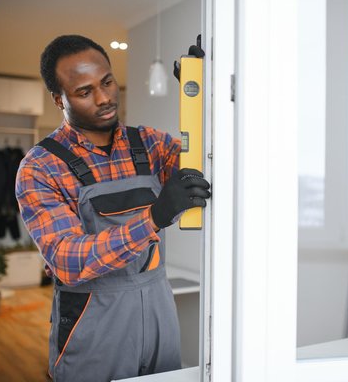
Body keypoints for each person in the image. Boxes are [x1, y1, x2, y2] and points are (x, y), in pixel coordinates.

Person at [15, 34, 211, 381]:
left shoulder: (150, 144)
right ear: (58, 99)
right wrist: (152, 218)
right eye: (85, 91)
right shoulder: (40, 166)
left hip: (159, 310)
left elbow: (207, 166)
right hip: (92, 323)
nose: (104, 98)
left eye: (107, 82)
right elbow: (68, 259)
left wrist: (201, 96)